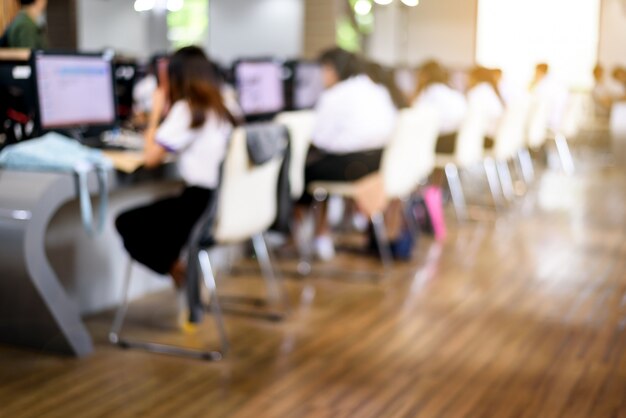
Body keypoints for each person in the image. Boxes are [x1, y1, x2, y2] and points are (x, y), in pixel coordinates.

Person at [115, 46, 238, 288]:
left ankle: (180, 274)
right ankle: (180, 272)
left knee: (126, 223)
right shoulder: (228, 105)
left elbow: (151, 157)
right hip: (224, 203)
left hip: (199, 207)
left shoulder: (188, 109)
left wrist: (156, 112)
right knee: (163, 217)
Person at [296, 47, 397, 261]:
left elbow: (319, 139)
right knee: (322, 164)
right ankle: (329, 229)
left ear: (331, 69)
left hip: (350, 167)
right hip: (376, 164)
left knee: (303, 169)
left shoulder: (335, 95)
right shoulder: (377, 89)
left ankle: (304, 233)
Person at [411, 60, 467, 154]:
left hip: (441, 144)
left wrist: (417, 89)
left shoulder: (429, 92)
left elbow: (414, 117)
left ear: (425, 75)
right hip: (458, 142)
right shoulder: (453, 91)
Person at [466, 66, 505, 148]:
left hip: (483, 139)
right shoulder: (491, 91)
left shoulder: (477, 92)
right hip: (494, 138)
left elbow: (467, 116)